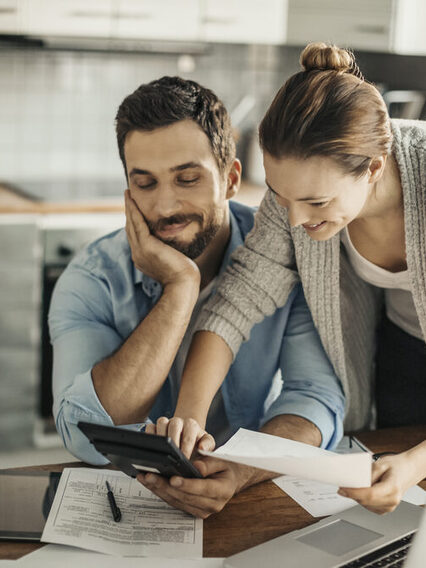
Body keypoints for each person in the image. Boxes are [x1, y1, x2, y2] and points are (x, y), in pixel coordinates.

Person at [49, 76, 345, 518]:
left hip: (250, 493)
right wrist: (180, 289)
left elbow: (315, 400)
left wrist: (242, 469)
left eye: (187, 179)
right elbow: (83, 432)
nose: (166, 206)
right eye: (145, 184)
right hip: (135, 507)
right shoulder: (93, 279)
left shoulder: (287, 257)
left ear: (230, 179)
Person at [159, 44, 426, 515]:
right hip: (405, 348)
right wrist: (189, 419)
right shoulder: (295, 196)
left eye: (317, 203)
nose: (297, 219)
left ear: (374, 169)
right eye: (281, 196)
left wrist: (410, 466)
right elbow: (238, 300)